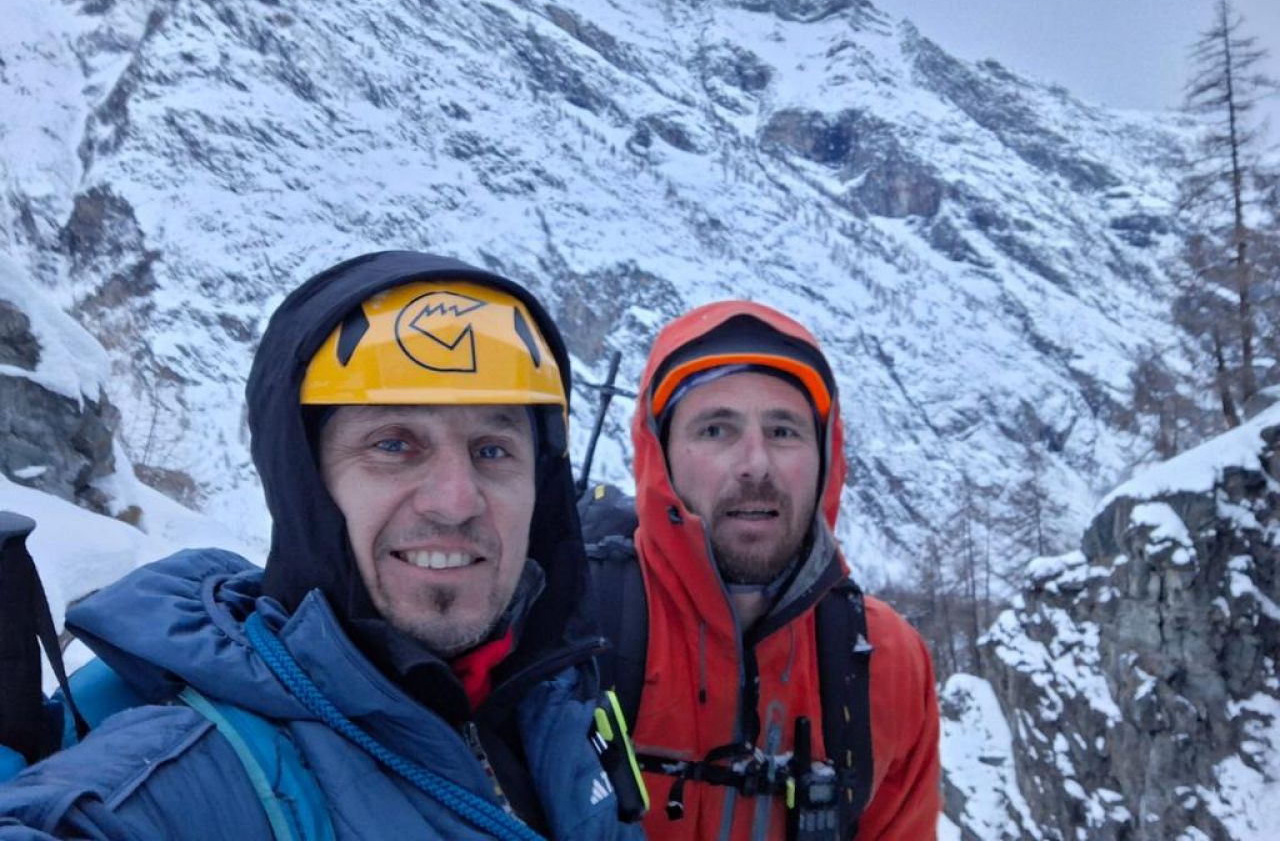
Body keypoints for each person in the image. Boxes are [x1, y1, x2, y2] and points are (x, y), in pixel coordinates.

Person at [0, 250, 643, 840]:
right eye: (394, 444)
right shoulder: (174, 779)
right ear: (304, 484)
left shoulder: (558, 708)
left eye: (493, 450)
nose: (455, 501)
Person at [584, 300, 941, 840]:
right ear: (661, 457)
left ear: (824, 460)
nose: (755, 464)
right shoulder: (571, 630)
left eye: (783, 431)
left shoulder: (884, 664)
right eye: (715, 430)